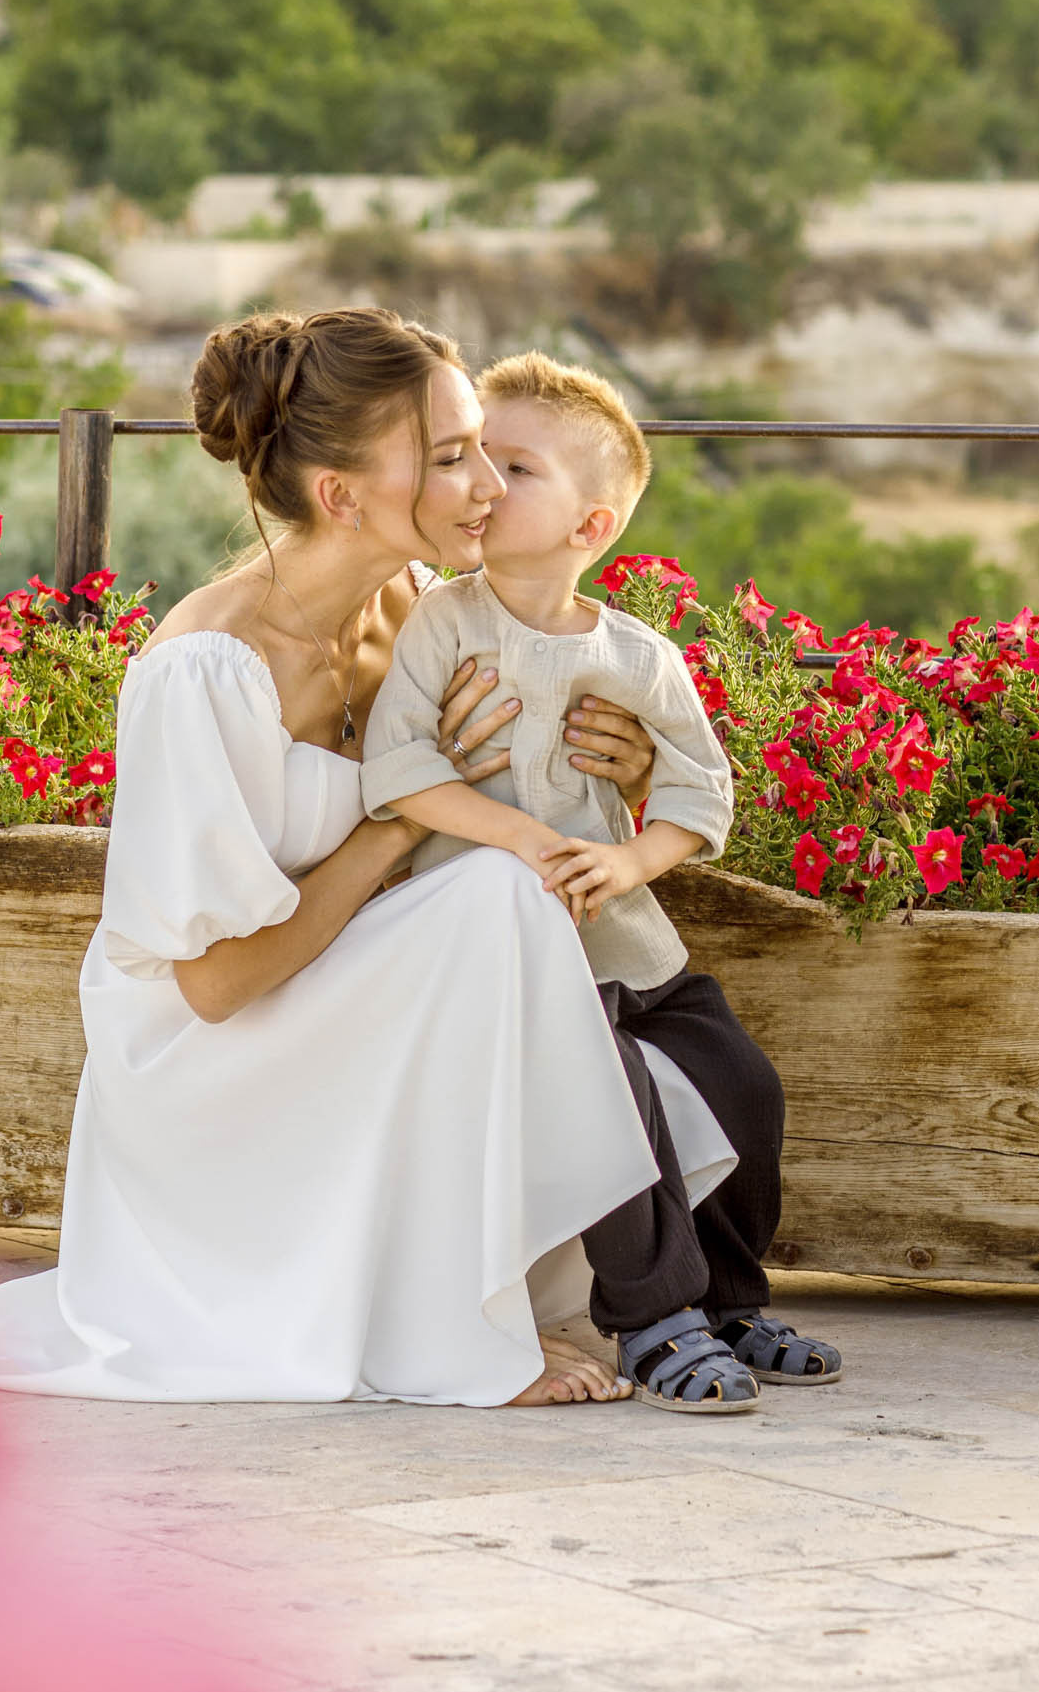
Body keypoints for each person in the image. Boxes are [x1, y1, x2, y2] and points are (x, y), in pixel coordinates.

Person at [0, 305, 729, 1408]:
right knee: (496, 894)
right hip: (210, 1054)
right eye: (452, 460)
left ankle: (600, 1293)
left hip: (352, 987)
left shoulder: (420, 611)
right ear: (340, 496)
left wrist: (629, 756)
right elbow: (212, 986)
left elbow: (551, 730)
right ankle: (468, 1330)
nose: (491, 488)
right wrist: (397, 823)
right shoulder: (207, 672)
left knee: (526, 915)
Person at [360, 350, 841, 1413]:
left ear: (593, 526)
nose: (482, 481)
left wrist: (630, 859)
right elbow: (397, 771)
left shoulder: (638, 655)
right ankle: (651, 1318)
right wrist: (519, 841)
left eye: (515, 467)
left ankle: (726, 1300)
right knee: (606, 1092)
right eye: (474, 455)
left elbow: (699, 790)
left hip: (622, 940)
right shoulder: (442, 621)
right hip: (498, 951)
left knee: (740, 1082)